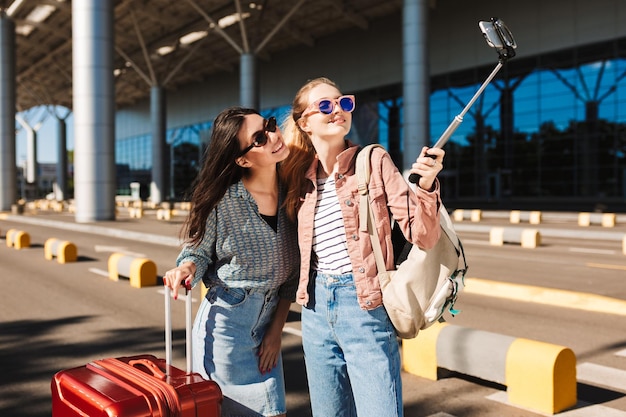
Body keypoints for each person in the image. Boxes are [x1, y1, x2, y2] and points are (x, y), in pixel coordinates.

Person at [280, 77, 444, 417]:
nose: (338, 110)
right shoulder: (297, 178)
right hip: (314, 311)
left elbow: (424, 236)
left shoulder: (372, 160)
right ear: (304, 122)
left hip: (365, 308)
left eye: (344, 103)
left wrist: (426, 184)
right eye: (325, 106)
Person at [163, 106, 299, 417]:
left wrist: (276, 331)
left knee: (272, 411)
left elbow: (291, 277)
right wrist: (186, 268)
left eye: (270, 126)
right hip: (226, 329)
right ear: (243, 159)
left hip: (267, 326)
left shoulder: (294, 194)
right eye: (259, 138)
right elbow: (198, 250)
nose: (274, 137)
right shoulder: (224, 202)